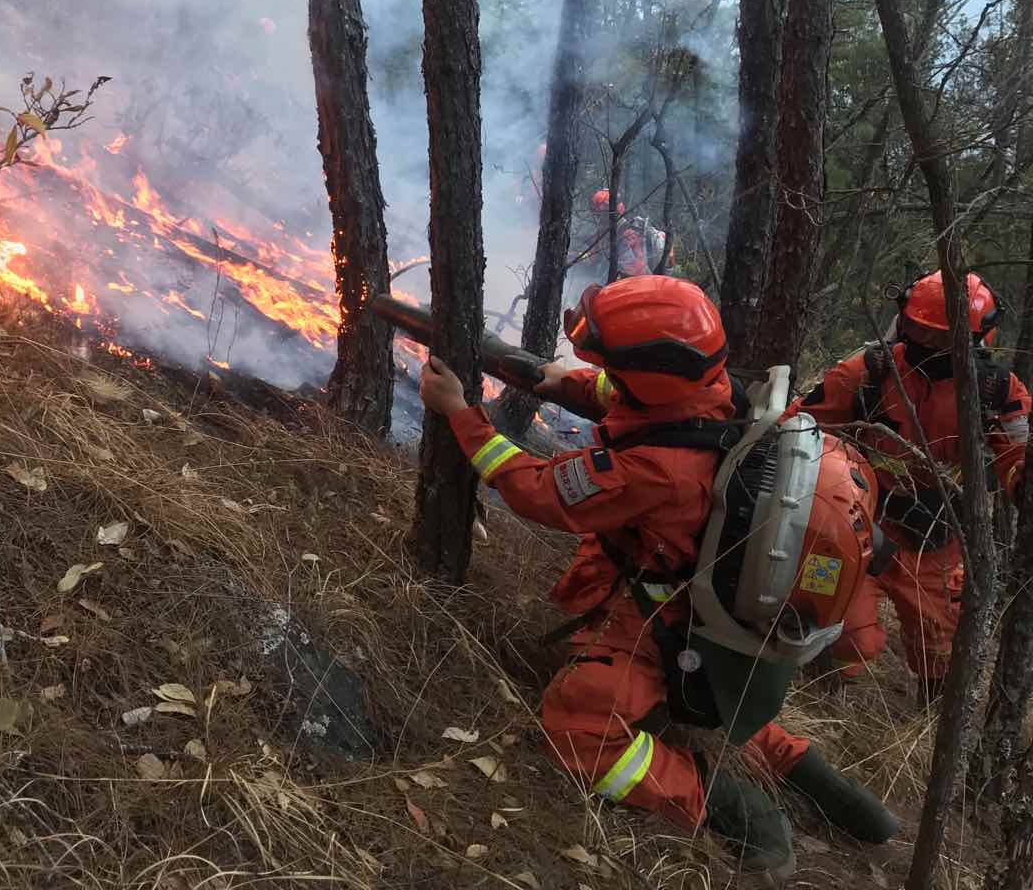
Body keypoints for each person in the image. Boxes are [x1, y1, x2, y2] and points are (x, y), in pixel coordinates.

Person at [419, 275, 897, 875]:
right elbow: (641, 407)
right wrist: (559, 379)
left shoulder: (655, 474)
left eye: (614, 367)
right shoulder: (727, 394)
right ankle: (833, 792)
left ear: (645, 377)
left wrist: (461, 415)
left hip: (670, 621)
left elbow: (540, 492)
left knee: (580, 725)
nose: (607, 376)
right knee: (732, 704)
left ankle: (736, 810)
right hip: (734, 629)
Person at [792, 270, 1030, 700]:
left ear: (973, 338)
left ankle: (929, 726)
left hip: (936, 539)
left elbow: (1017, 455)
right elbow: (801, 424)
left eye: (937, 336)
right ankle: (823, 704)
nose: (924, 342)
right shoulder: (870, 371)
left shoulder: (995, 390)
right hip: (861, 526)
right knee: (844, 634)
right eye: (917, 329)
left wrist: (1022, 482)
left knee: (941, 650)